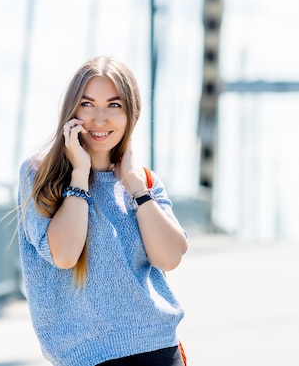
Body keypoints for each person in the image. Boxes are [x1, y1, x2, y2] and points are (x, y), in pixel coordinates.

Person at [17, 56, 188, 366]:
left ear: (130, 114)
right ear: (71, 111)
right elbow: (65, 255)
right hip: (88, 357)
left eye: (114, 105)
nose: (99, 119)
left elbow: (170, 257)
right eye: (86, 104)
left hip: (160, 348)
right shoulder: (39, 174)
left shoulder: (144, 180)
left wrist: (136, 187)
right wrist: (79, 175)